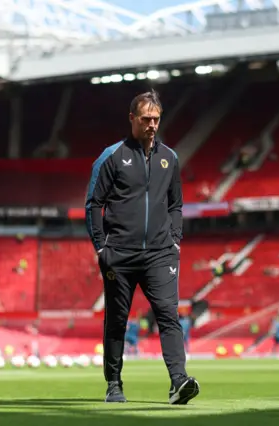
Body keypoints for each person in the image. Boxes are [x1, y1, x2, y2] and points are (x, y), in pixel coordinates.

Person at [85, 90, 199, 405]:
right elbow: (94, 204)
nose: (151, 125)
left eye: (156, 119)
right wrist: (100, 248)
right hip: (118, 253)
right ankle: (114, 383)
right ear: (132, 118)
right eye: (146, 119)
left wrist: (175, 240)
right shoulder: (111, 157)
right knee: (117, 319)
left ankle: (179, 382)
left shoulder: (170, 158)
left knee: (168, 314)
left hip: (161, 254)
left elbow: (176, 204)